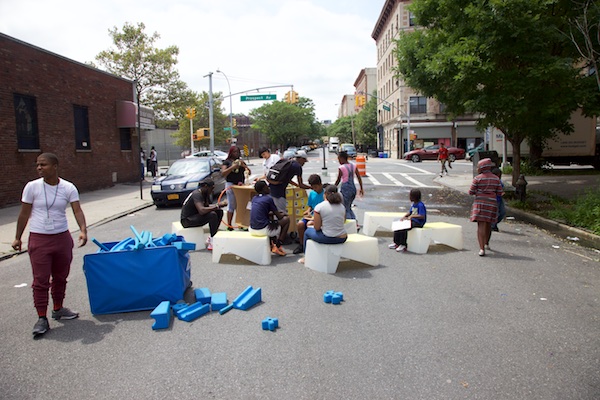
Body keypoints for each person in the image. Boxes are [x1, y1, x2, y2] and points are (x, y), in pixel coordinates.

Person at [12, 153, 88, 337]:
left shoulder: (68, 187)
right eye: (37, 165)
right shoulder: (32, 187)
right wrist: (17, 237)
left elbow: (77, 210)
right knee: (41, 281)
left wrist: (83, 230)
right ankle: (41, 318)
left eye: (43, 165)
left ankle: (58, 308)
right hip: (39, 239)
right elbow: (24, 214)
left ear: (55, 166)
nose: (39, 168)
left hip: (62, 238)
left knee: (61, 277)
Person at [299, 185, 347, 264]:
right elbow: (343, 221)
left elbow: (317, 227)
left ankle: (306, 257)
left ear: (325, 194)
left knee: (307, 232)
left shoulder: (320, 207)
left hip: (328, 238)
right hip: (342, 237)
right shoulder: (342, 207)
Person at [469, 158, 503, 256]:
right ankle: (487, 243)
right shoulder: (496, 179)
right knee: (488, 223)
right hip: (492, 204)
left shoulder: (477, 178)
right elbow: (500, 192)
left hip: (480, 203)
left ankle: (481, 249)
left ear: (482, 168)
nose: (477, 169)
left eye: (478, 167)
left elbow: (471, 192)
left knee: (481, 226)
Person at [180, 178, 226, 251]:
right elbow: (202, 210)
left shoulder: (205, 193)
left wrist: (218, 205)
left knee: (219, 211)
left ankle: (212, 236)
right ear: (205, 186)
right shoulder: (197, 194)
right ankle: (212, 240)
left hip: (195, 216)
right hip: (187, 220)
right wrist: (217, 205)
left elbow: (207, 207)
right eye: (212, 188)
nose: (212, 190)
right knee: (212, 215)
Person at [249, 180, 290, 256]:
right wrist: (284, 214)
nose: (269, 188)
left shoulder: (254, 198)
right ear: (264, 189)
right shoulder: (268, 198)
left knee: (271, 219)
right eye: (267, 187)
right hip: (263, 229)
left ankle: (272, 243)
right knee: (286, 220)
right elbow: (279, 216)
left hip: (252, 228)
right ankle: (278, 245)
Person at [293, 174, 325, 254]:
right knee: (300, 224)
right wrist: (308, 211)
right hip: (311, 215)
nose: (314, 189)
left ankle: (311, 245)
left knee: (310, 224)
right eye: (313, 187)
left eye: (316, 187)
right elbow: (310, 206)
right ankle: (302, 244)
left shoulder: (325, 194)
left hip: (320, 217)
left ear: (320, 184)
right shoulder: (312, 193)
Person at [221, 146, 251, 230]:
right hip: (231, 185)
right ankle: (229, 225)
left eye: (238, 152)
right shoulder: (227, 162)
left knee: (241, 205)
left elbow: (249, 172)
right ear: (231, 153)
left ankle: (241, 224)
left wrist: (244, 166)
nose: (236, 153)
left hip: (241, 186)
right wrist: (232, 167)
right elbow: (223, 173)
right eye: (234, 152)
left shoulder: (240, 161)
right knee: (232, 205)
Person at [388, 188, 427, 253]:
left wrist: (411, 216)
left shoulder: (420, 205)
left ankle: (403, 244)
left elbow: (422, 216)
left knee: (404, 227)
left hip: (418, 222)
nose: (409, 197)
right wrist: (404, 216)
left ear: (414, 197)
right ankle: (396, 243)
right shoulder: (414, 204)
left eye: (410, 196)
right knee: (398, 225)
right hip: (413, 220)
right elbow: (410, 212)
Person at [334, 150, 364, 222]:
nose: (338, 161)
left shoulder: (341, 168)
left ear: (342, 158)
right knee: (349, 206)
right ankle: (354, 221)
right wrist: (361, 188)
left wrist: (333, 188)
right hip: (353, 189)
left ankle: (351, 223)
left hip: (345, 189)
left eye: (339, 159)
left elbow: (338, 180)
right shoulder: (353, 166)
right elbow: (359, 177)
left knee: (345, 208)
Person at [490, 167, 506, 233]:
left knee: (502, 212)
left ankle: (493, 224)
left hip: (499, 198)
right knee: (496, 213)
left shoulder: (499, 181)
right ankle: (493, 226)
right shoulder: (492, 181)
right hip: (495, 199)